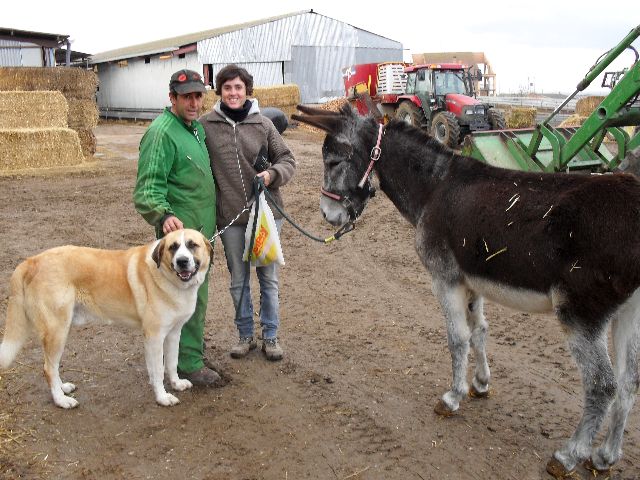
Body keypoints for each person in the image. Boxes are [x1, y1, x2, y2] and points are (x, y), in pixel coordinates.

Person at [200, 64, 296, 361]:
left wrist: (271, 176)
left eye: (238, 88)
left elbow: (288, 160)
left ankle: (270, 336)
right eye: (227, 88)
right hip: (231, 218)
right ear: (220, 91)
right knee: (238, 280)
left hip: (267, 215)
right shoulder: (206, 125)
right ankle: (245, 335)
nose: (233, 93)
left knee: (268, 278)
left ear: (247, 91)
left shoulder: (263, 125)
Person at [133, 69, 220, 385]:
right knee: (180, 299)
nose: (194, 102)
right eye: (187, 97)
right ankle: (188, 364)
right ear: (172, 98)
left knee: (194, 298)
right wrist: (162, 214)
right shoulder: (162, 133)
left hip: (200, 235)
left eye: (199, 96)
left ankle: (190, 352)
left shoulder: (193, 128)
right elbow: (147, 189)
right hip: (181, 240)